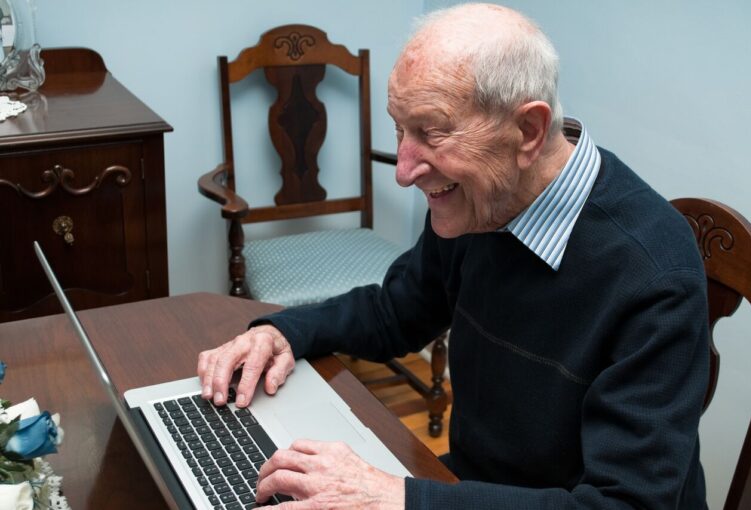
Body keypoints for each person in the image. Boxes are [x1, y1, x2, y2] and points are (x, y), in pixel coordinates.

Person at [198, 3, 710, 508]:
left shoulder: (655, 273)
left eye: (430, 133)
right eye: (400, 129)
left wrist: (394, 498)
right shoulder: (482, 200)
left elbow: (625, 504)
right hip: (464, 486)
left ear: (528, 132)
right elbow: (395, 311)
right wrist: (283, 331)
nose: (403, 170)